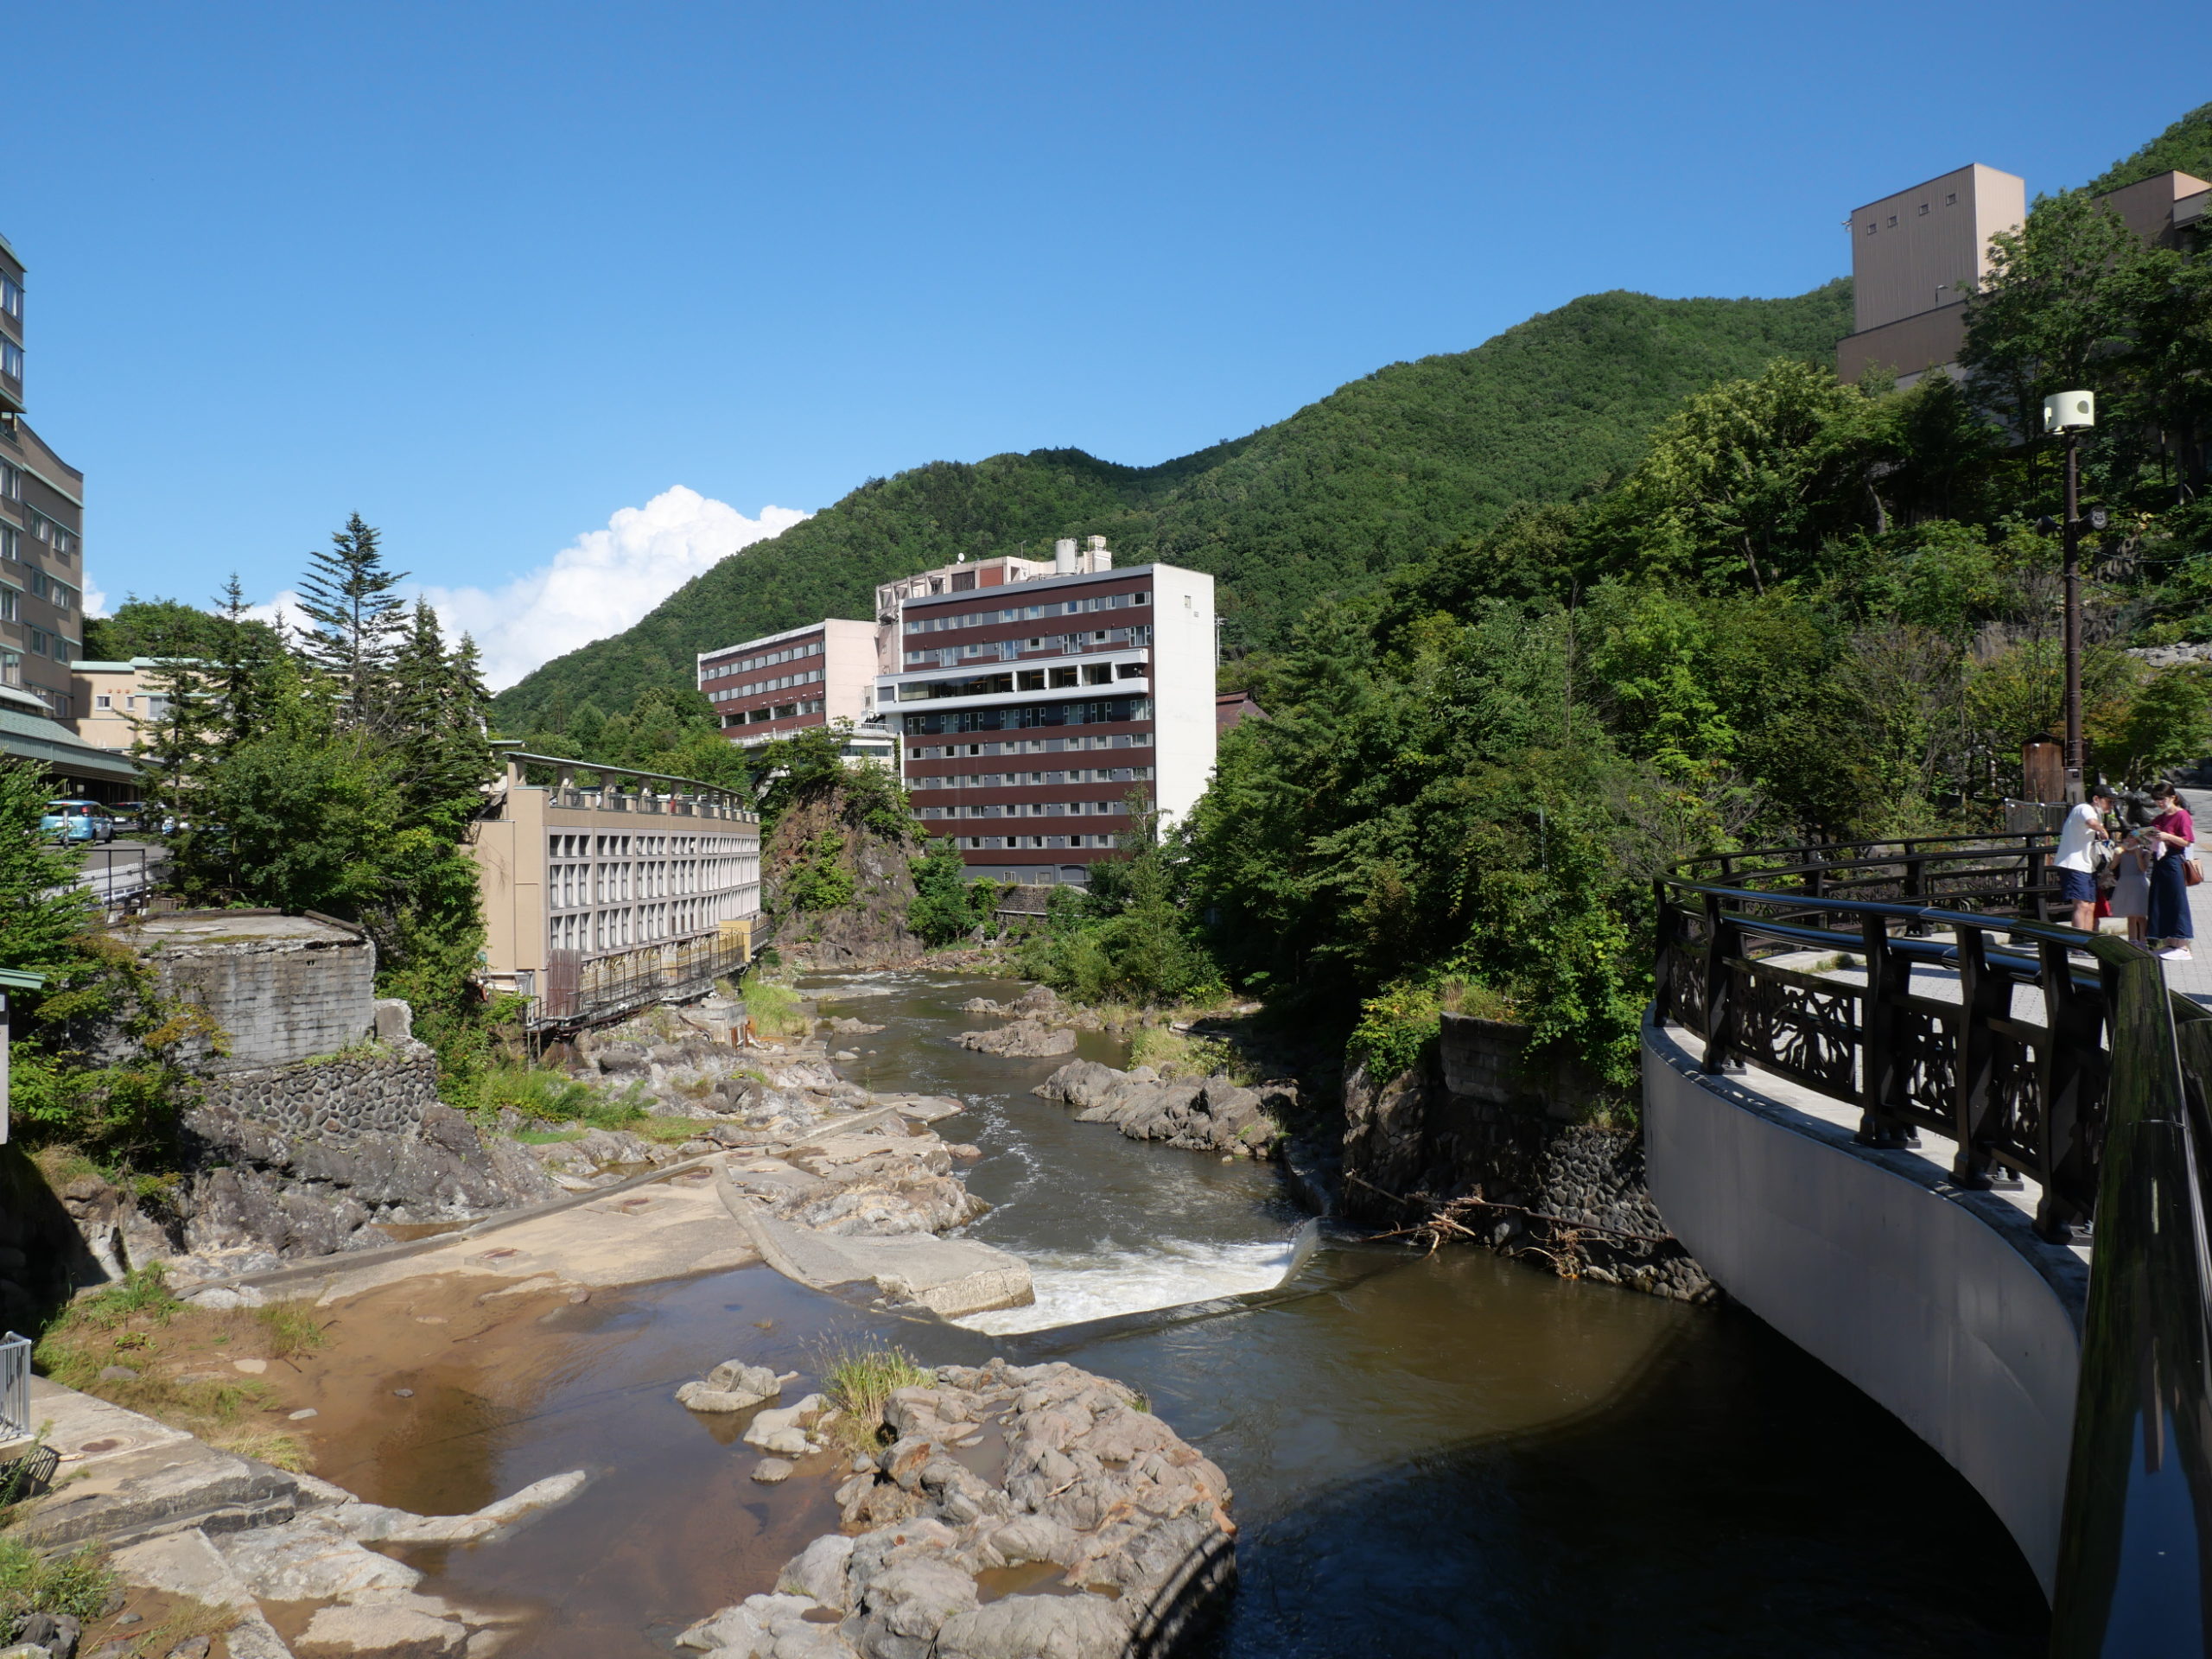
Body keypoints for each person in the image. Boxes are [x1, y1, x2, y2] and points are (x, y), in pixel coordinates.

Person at [2053, 784, 2116, 933]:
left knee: (2090, 905)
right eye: (2109, 801)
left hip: (2087, 865)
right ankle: (2078, 942)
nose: (2111, 806)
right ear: (2096, 799)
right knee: (2081, 904)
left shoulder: (2096, 813)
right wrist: (2102, 829)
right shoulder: (2084, 808)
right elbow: (2090, 822)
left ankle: (2087, 940)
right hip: (2074, 863)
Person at [2146, 781, 2198, 961]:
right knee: (2162, 901)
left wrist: (2167, 836)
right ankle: (2170, 943)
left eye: (2162, 799)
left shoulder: (2181, 815)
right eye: (2157, 800)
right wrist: (2142, 834)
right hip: (2161, 863)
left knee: (2177, 902)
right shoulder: (2161, 817)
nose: (2159, 803)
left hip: (2174, 861)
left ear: (2172, 798)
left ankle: (2183, 946)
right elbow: (2149, 829)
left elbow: (2187, 841)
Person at [2110, 795, 2157, 946]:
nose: (2131, 840)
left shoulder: (2144, 852)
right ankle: (2132, 940)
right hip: (2125, 883)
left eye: (2134, 837)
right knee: (2130, 915)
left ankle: (2143, 939)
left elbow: (2143, 868)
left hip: (2139, 883)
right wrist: (2118, 854)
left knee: (2141, 915)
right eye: (2129, 837)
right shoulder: (2122, 851)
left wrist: (2137, 852)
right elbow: (2112, 867)